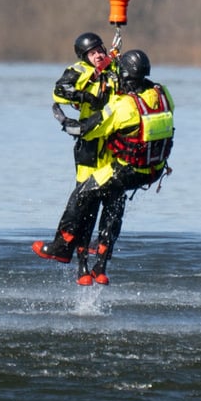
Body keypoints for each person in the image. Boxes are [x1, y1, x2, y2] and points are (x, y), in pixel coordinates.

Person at [34, 49, 174, 285]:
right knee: (114, 200)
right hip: (153, 170)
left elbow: (86, 130)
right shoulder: (163, 94)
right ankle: (100, 267)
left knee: (83, 193)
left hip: (126, 171)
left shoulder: (124, 107)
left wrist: (63, 120)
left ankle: (61, 244)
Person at [32, 32, 118, 266]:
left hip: (111, 142)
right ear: (84, 57)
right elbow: (60, 91)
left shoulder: (113, 70)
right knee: (85, 197)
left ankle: (101, 249)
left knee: (111, 196)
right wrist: (85, 97)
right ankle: (73, 250)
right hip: (89, 143)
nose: (99, 55)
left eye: (100, 50)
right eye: (93, 53)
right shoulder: (80, 71)